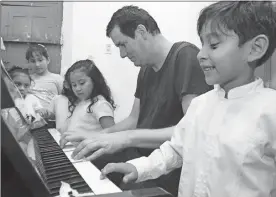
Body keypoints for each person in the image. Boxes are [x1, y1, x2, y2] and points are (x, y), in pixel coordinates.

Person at [98, 1, 276, 197]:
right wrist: (138, 168)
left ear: (255, 48)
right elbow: (175, 150)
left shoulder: (270, 110)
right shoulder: (201, 105)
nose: (200, 54)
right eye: (202, 44)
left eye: (214, 45)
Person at [60, 5, 212, 196]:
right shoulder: (146, 69)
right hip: (138, 155)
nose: (123, 54)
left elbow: (191, 130)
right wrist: (98, 136)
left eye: (123, 44)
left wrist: (125, 138)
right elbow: (133, 119)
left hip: (166, 166)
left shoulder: (186, 57)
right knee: (79, 162)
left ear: (141, 31)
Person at [39, 59, 116, 135]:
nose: (77, 89)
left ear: (94, 81)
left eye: (82, 83)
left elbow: (112, 136)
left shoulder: (101, 104)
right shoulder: (80, 102)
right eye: (74, 85)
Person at [25, 44, 64, 108]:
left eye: (40, 60)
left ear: (48, 60)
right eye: (33, 61)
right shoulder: (27, 79)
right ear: (28, 63)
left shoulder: (58, 79)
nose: (37, 64)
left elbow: (64, 101)